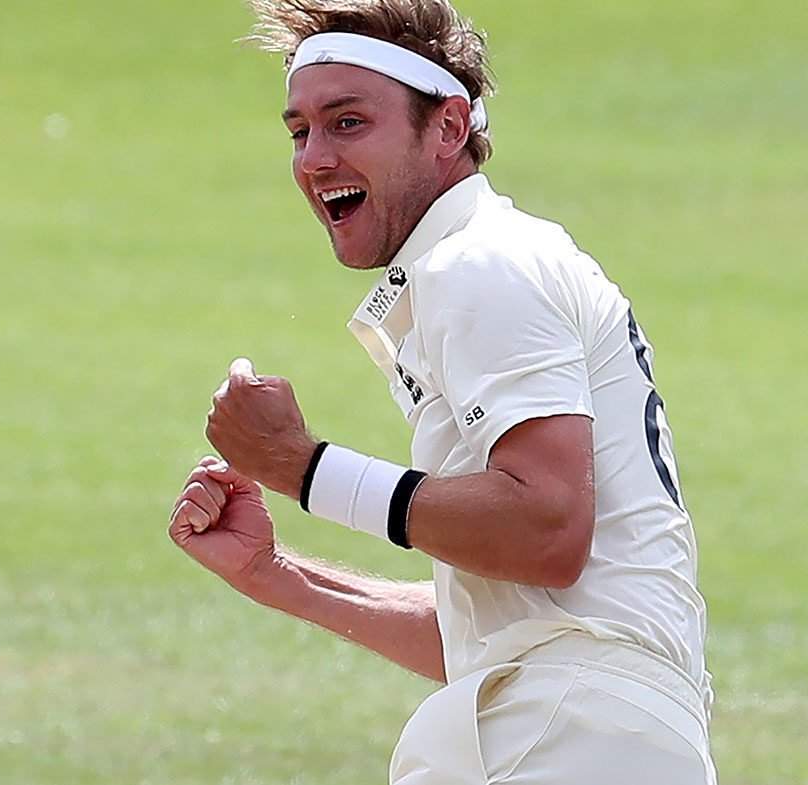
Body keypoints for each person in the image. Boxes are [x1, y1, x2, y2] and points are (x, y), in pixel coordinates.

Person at [168, 1, 717, 782]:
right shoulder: (484, 263)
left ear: (450, 127)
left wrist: (303, 468)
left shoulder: (480, 262)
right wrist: (282, 575)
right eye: (300, 130)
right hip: (592, 730)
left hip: (565, 736)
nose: (314, 158)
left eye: (348, 122)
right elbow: (492, 631)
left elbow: (546, 531)